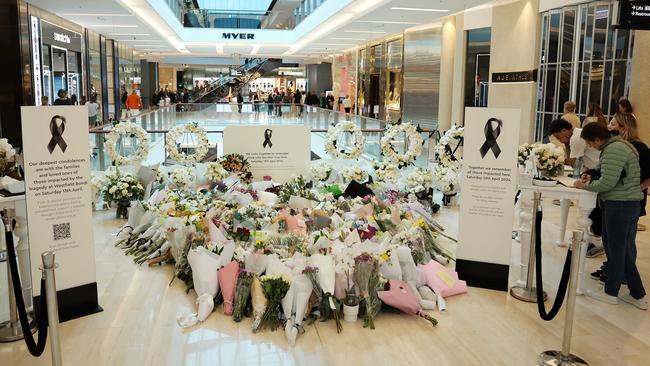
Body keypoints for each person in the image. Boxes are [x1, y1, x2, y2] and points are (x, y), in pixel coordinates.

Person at [574, 122, 647, 310]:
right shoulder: (619, 146)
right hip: (629, 204)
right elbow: (610, 174)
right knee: (622, 251)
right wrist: (592, 176)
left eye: (590, 143)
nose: (591, 147)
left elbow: (607, 183)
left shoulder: (614, 150)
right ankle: (637, 294)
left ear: (597, 139)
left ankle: (612, 293)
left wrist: (585, 186)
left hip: (619, 204)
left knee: (615, 250)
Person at [609, 113, 650, 232]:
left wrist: (640, 187)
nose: (609, 126)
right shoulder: (619, 145)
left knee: (624, 238)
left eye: (612, 124)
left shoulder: (638, 147)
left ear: (623, 128)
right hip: (620, 198)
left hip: (630, 201)